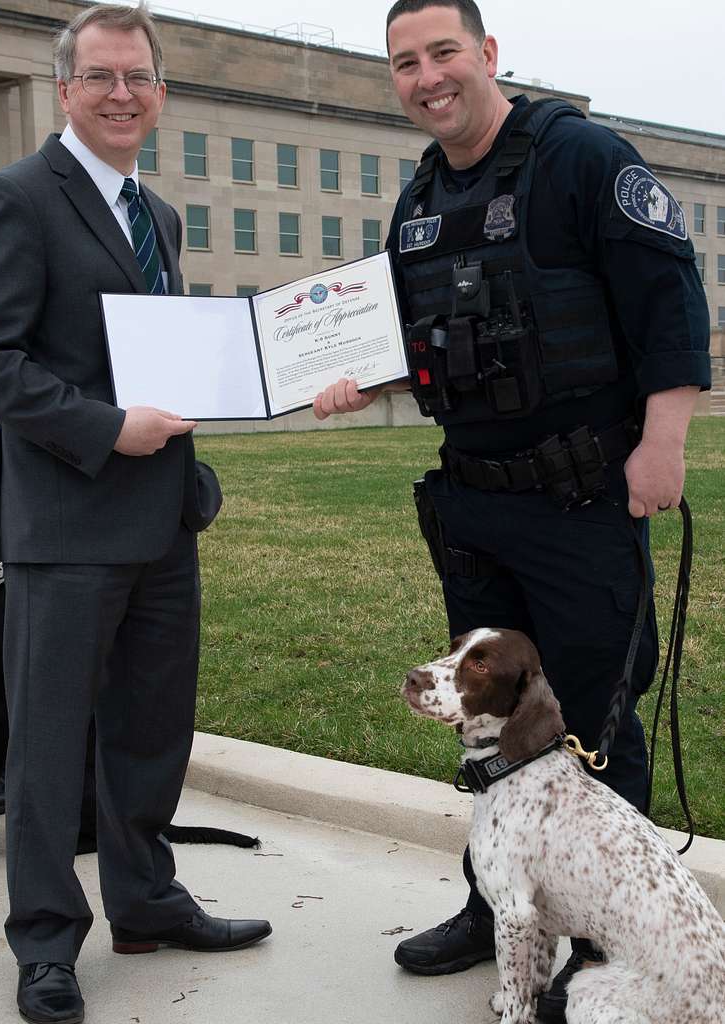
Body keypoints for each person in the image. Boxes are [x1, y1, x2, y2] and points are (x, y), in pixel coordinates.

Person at [314, 2, 710, 1022]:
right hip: (475, 507)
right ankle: (498, 908)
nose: (427, 76)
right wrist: (366, 378)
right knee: (492, 728)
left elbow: (670, 297)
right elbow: (428, 341)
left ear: (488, 54)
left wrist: (663, 441)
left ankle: (601, 935)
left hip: (584, 499)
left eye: (444, 52)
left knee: (594, 721)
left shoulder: (580, 158)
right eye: (405, 63)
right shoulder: (417, 201)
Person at [0, 6, 271, 1023]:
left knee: (150, 729)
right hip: (67, 522)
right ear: (65, 90)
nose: (121, 94)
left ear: (160, 92)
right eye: (101, 77)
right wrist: (103, 428)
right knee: (48, 746)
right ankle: (45, 939)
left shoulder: (160, 216)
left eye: (137, 77)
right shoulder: (13, 200)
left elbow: (168, 361)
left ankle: (144, 899)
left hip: (161, 523)